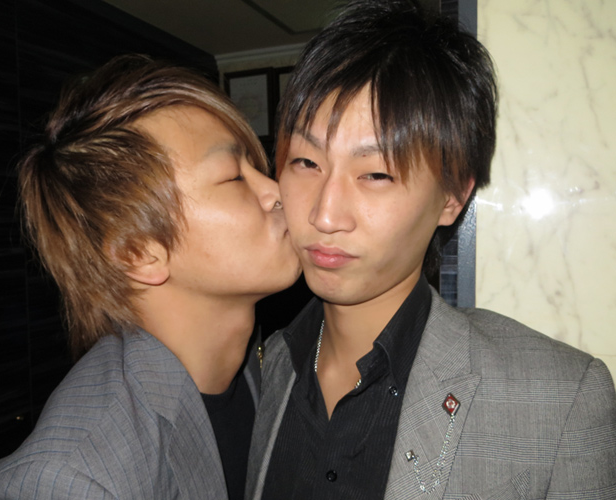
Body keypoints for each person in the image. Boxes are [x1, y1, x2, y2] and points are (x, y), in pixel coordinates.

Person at [247, 1, 616, 499]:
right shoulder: (260, 369)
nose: (324, 215)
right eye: (306, 163)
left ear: (452, 197)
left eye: (375, 174)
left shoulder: (558, 401)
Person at [0, 54, 300, 500]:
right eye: (234, 176)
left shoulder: (266, 361)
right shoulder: (75, 478)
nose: (277, 192)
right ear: (138, 252)